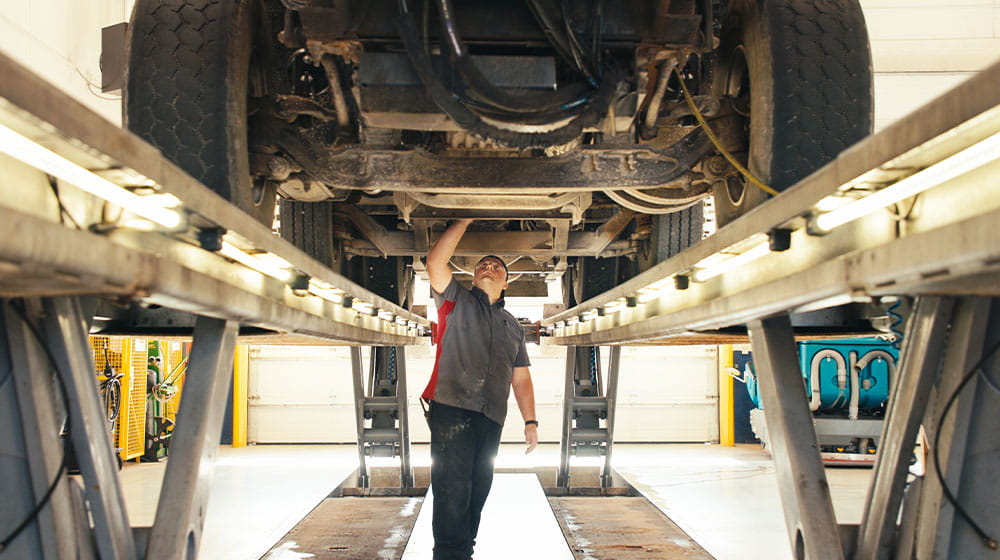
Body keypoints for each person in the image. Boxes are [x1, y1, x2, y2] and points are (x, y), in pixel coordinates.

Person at [420, 218, 538, 560]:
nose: (489, 266)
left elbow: (521, 377)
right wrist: (465, 219)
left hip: (491, 417)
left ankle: (463, 552)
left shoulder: (513, 326)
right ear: (473, 277)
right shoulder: (454, 301)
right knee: (452, 490)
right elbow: (435, 263)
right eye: (483, 265)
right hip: (452, 410)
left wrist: (531, 422)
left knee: (478, 490)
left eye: (497, 266)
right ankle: (449, 555)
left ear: (506, 281)